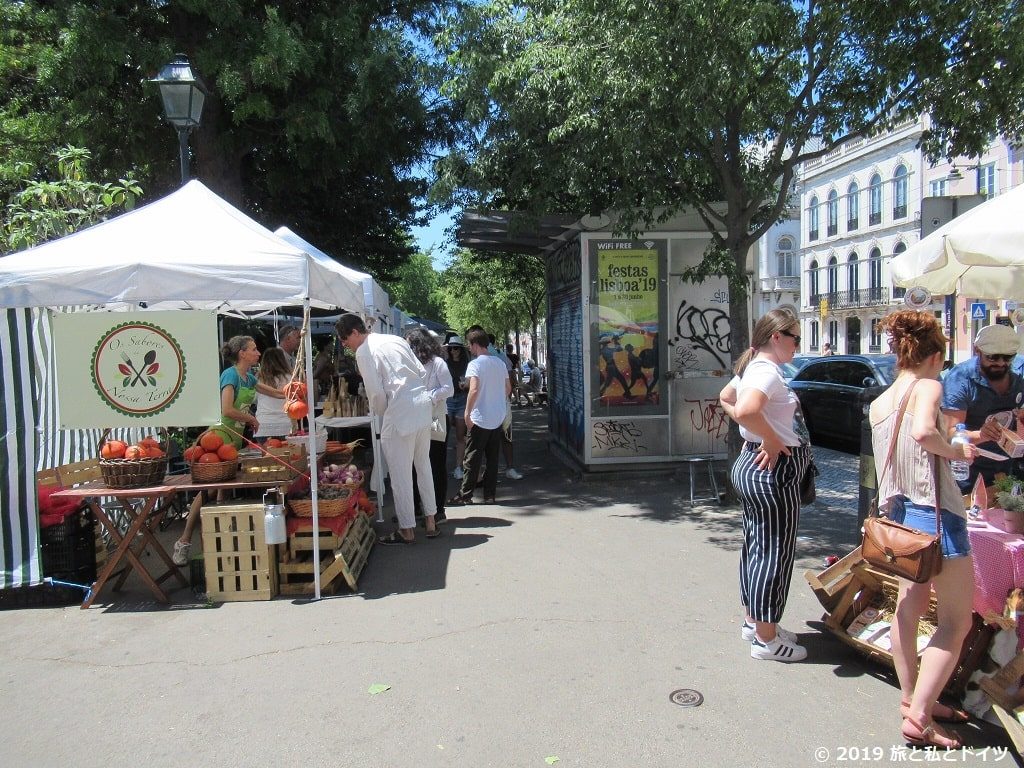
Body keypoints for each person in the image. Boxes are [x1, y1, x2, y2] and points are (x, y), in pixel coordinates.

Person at [869, 310, 977, 749]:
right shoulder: (929, 386)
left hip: (899, 523)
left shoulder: (880, 401)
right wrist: (957, 449)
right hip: (937, 517)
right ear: (934, 355)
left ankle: (914, 698)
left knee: (908, 609)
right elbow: (923, 432)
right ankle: (919, 717)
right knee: (957, 622)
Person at [718, 309, 811, 662]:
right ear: (777, 336)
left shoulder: (753, 367)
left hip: (760, 467)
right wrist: (769, 439)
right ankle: (766, 639)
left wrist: (758, 436)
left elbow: (727, 398)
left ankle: (756, 623)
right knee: (774, 553)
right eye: (795, 338)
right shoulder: (766, 370)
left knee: (758, 549)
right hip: (773, 471)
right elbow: (744, 410)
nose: (797, 346)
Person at [335, 313, 439, 543]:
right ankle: (430, 520)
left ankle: (407, 529)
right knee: (423, 466)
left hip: (400, 409)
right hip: (421, 405)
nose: (345, 345)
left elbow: (375, 393)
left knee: (401, 474)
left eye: (344, 340)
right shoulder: (395, 340)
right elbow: (421, 372)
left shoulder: (364, 351)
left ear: (355, 332)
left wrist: (383, 412)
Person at [173, 336, 275, 565]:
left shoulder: (248, 378)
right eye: (254, 349)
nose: (258, 353)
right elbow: (227, 409)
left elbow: (273, 392)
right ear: (242, 354)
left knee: (224, 492)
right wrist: (250, 418)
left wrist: (292, 392)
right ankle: (184, 541)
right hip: (218, 438)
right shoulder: (230, 375)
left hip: (235, 441)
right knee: (206, 492)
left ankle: (219, 544)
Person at [941, 323, 1024, 491]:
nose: (1001, 363)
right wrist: (982, 434)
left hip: (1009, 470)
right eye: (993, 357)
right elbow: (948, 433)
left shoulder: (1019, 374)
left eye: (1008, 358)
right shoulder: (960, 379)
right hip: (968, 475)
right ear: (977, 350)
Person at [448, 329, 511, 505]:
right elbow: (508, 389)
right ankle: (490, 495)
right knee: (492, 458)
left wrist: (468, 412)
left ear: (475, 344)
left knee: (472, 458)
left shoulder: (475, 364)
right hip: (497, 417)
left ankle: (465, 494)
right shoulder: (499, 363)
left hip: (480, 417)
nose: (469, 348)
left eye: (469, 345)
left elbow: (473, 389)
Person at [406, 328, 454, 524]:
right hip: (414, 419)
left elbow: (449, 389)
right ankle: (418, 507)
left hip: (435, 419)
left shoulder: (438, 363)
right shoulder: (409, 364)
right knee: (414, 465)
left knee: (435, 464)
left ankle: (438, 509)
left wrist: (430, 397)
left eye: (409, 344)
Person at [253, 347, 292, 441]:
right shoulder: (290, 378)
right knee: (286, 454)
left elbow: (253, 399)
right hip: (285, 423)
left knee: (267, 455)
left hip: (263, 425)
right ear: (282, 361)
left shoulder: (258, 378)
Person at [445, 337, 470, 479]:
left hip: (462, 399)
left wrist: (465, 385)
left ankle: (458, 467)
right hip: (447, 400)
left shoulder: (467, 364)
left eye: (456, 348)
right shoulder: (444, 363)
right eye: (451, 348)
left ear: (461, 349)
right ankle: (439, 465)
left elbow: (471, 381)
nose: (453, 350)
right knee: (441, 434)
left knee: (461, 435)